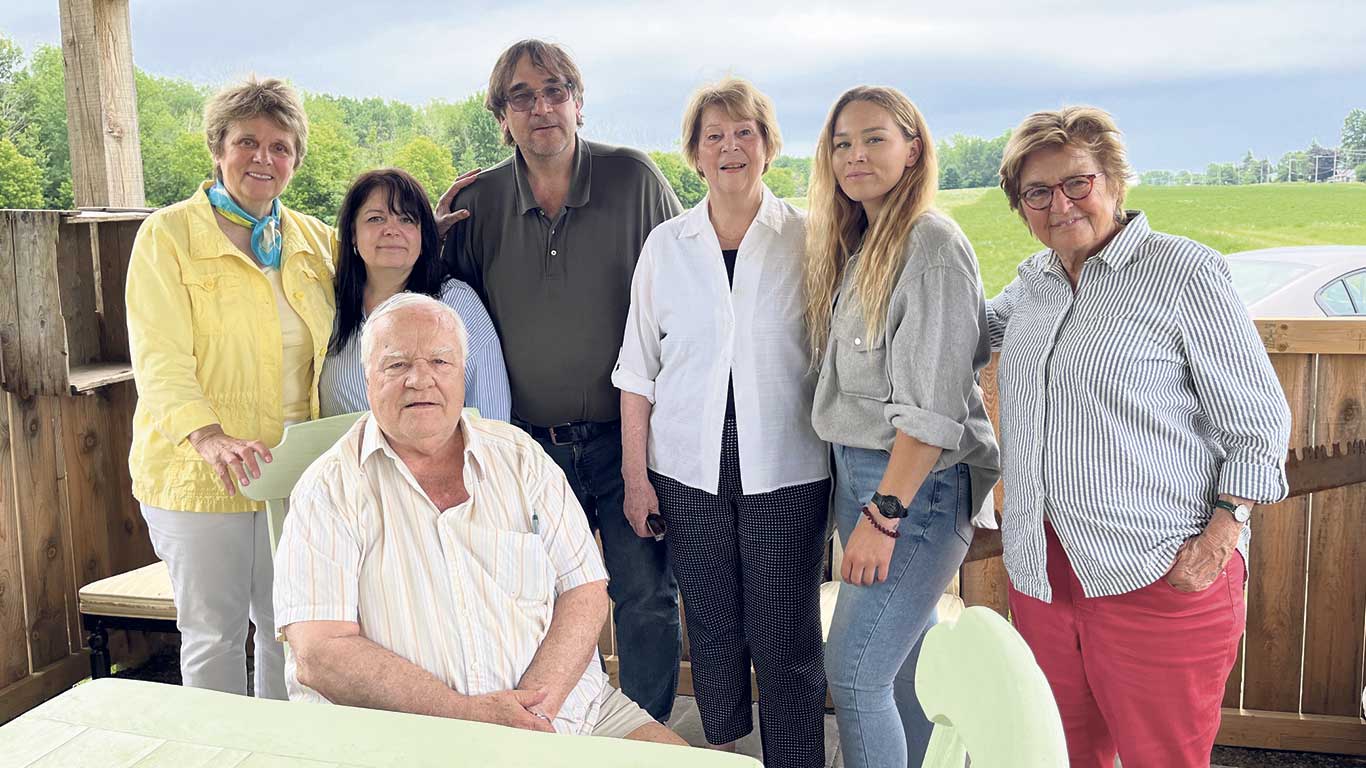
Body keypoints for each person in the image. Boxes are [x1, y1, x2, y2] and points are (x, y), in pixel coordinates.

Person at [990, 106, 1292, 767]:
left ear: (1114, 180)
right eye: (1036, 192)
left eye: (1077, 182)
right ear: (1020, 205)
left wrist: (1221, 533)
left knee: (1164, 758)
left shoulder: (1183, 271)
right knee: (1062, 753)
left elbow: (1262, 424)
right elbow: (958, 335)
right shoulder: (1032, 285)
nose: (1059, 204)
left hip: (1157, 573)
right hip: (1043, 573)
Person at [273, 293, 686, 745]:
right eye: (396, 365)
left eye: (439, 361)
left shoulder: (520, 457)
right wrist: (468, 716)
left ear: (462, 375)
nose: (420, 380)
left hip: (567, 711)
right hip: (402, 735)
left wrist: (531, 711)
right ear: (367, 378)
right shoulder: (328, 488)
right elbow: (320, 653)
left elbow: (584, 588)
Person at [442, 39, 684, 721]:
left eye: (554, 90)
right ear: (502, 115)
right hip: (526, 448)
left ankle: (645, 736)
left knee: (643, 598)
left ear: (579, 102)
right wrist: (426, 237)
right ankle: (563, 731)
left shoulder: (634, 180)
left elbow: (686, 295)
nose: (540, 106)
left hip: (628, 442)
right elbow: (438, 309)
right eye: (521, 95)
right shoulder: (479, 202)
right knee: (538, 603)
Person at [613, 78, 829, 766]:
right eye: (715, 136)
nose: (731, 147)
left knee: (783, 628)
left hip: (788, 468)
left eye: (745, 133)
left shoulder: (809, 238)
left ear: (768, 146)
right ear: (695, 155)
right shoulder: (665, 247)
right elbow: (637, 371)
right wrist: (635, 478)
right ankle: (726, 748)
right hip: (684, 467)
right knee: (707, 619)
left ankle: (794, 756)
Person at [803, 86, 1001, 768]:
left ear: (913, 150)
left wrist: (884, 514)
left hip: (911, 489)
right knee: (898, 669)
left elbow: (933, 411)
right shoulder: (866, 242)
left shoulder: (931, 246)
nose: (855, 155)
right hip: (865, 476)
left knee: (854, 674)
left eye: (874, 138)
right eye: (842, 143)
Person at [126, 76, 336, 698]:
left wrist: (422, 227)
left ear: (295, 159)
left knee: (288, 630)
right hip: (199, 474)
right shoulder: (167, 238)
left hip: (293, 475)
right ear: (218, 148)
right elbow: (159, 358)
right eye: (248, 142)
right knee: (213, 635)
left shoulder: (313, 241)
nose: (263, 159)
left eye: (280, 146)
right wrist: (208, 435)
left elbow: (383, 266)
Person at [319, 168, 509, 420]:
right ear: (353, 234)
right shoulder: (327, 303)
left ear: (423, 234)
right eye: (376, 219)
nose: (391, 229)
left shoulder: (456, 303)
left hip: (443, 459)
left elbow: (491, 416)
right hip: (345, 458)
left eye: (407, 219)